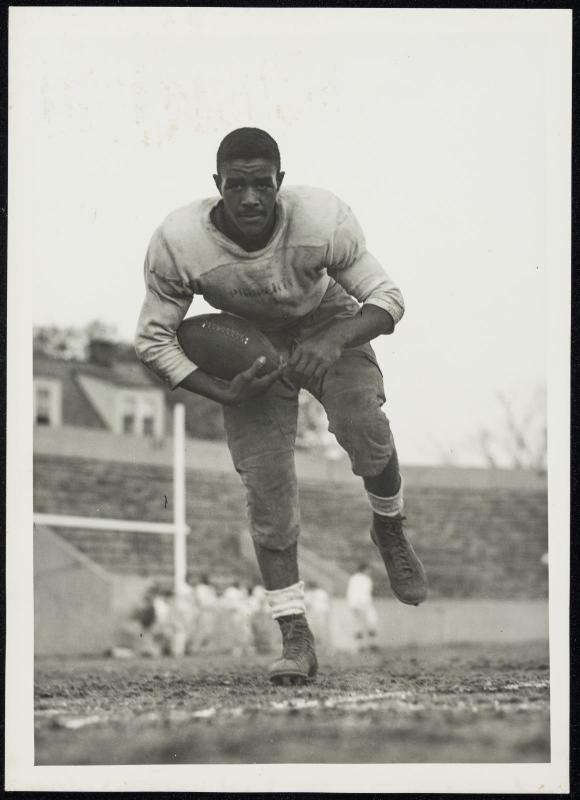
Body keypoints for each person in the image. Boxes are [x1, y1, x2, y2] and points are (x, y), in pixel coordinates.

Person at [135, 127, 428, 683]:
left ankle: (388, 525)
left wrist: (334, 338)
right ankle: (295, 635)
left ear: (280, 183)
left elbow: (389, 298)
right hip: (248, 345)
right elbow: (153, 339)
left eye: (262, 184)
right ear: (217, 184)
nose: (250, 198)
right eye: (237, 185)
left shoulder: (321, 217)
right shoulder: (178, 239)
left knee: (362, 420)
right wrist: (221, 389)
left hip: (326, 321)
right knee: (267, 485)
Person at [346, 563, 379, 653]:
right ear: (364, 569)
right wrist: (358, 605)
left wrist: (353, 605)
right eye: (368, 569)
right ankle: (368, 645)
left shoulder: (353, 578)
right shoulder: (365, 579)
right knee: (369, 623)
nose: (369, 572)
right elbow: (361, 594)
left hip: (357, 604)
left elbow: (351, 593)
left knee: (361, 625)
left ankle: (363, 645)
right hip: (363, 604)